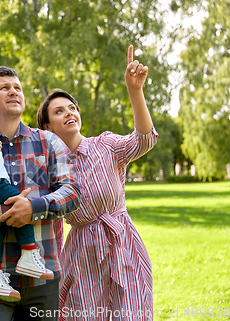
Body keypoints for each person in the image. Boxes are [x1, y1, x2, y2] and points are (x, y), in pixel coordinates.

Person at [0, 66, 81, 321]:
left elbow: (72, 193)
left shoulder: (48, 142)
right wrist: (3, 213)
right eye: (4, 88)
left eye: (17, 88)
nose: (13, 92)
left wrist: (34, 208)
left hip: (43, 275)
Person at [36, 46, 158, 321]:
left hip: (122, 242)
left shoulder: (106, 145)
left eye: (72, 108)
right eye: (58, 111)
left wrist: (135, 91)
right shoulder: (49, 171)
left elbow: (145, 139)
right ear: (47, 127)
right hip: (82, 255)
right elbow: (50, 221)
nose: (69, 112)